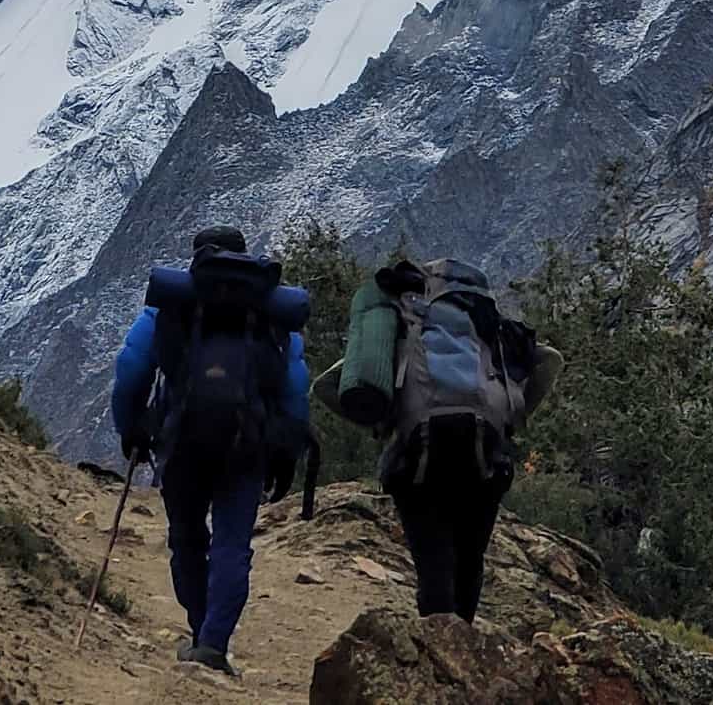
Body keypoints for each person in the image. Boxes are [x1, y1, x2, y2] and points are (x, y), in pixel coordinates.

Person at [316, 257, 562, 624]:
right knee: (469, 559)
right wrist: (516, 415)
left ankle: (438, 650)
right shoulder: (491, 325)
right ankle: (462, 645)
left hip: (416, 457)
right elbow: (550, 360)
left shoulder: (400, 323)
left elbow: (325, 386)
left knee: (433, 561)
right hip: (484, 453)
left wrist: (381, 421)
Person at [111, 226, 310, 676]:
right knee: (232, 544)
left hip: (181, 441)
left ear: (197, 259)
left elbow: (131, 368)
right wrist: (285, 450)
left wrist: (132, 429)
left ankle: (200, 630)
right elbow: (295, 388)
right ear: (245, 258)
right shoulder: (269, 313)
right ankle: (214, 645)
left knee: (186, 538)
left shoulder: (173, 305)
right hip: (248, 444)